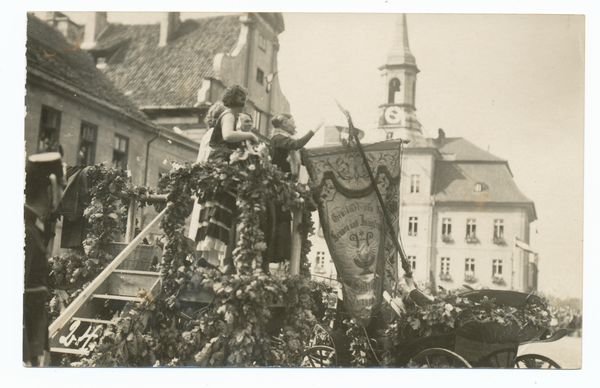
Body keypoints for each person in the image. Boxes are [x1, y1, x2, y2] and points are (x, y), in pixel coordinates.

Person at [193, 85, 258, 269]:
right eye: (244, 100)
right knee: (220, 209)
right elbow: (228, 136)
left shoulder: (228, 115)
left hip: (218, 165)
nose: (245, 104)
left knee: (214, 210)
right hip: (221, 165)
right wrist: (250, 135)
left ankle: (209, 257)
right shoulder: (229, 115)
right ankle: (212, 259)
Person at [263, 114, 323, 272]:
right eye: (293, 122)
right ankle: (274, 262)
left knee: (285, 224)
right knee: (279, 223)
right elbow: (297, 144)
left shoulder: (284, 139)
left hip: (286, 187)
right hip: (278, 188)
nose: (295, 125)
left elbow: (303, 156)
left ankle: (283, 262)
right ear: (284, 124)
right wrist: (315, 129)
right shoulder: (278, 138)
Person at [24, 152, 67, 366]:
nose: (63, 194)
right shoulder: (24, 231)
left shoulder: (31, 227)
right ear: (50, 188)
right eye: (62, 186)